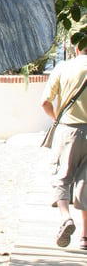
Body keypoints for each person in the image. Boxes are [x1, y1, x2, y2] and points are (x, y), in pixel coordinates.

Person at [41, 43, 87, 249]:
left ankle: (65, 218)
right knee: (85, 182)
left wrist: (57, 119)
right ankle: (85, 237)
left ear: (77, 48)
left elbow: (45, 102)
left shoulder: (63, 68)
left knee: (61, 177)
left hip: (68, 129)